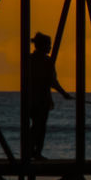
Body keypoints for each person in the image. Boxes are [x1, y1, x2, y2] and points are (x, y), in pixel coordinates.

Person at [24, 31, 71, 159]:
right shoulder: (46, 61)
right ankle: (35, 151)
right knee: (40, 127)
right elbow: (52, 81)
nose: (50, 47)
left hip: (29, 99)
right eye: (48, 45)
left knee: (35, 126)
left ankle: (30, 150)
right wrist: (64, 93)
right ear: (42, 45)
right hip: (41, 100)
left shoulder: (29, 59)